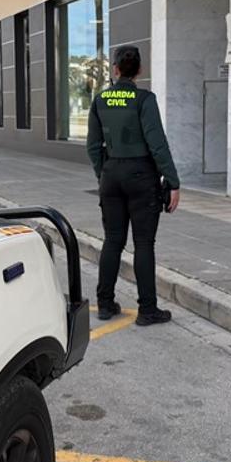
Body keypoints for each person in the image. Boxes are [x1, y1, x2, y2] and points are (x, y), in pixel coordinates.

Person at [86, 45, 180, 326]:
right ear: (139, 70)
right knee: (143, 243)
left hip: (111, 174)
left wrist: (104, 173)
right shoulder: (144, 99)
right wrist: (172, 181)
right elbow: (157, 143)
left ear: (115, 69)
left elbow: (93, 146)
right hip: (141, 176)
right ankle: (147, 310)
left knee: (113, 240)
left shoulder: (100, 100)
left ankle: (104, 303)